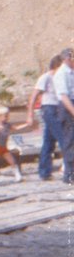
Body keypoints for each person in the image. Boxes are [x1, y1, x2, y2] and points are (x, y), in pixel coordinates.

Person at [27, 55, 64, 181]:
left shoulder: (60, 78)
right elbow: (33, 97)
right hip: (49, 109)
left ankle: (44, 172)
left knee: (48, 143)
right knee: (64, 138)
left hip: (58, 109)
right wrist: (30, 115)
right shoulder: (46, 78)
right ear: (56, 66)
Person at [52, 48, 74, 184]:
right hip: (67, 108)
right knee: (70, 140)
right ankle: (69, 174)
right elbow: (63, 96)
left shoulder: (71, 73)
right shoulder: (61, 74)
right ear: (67, 58)